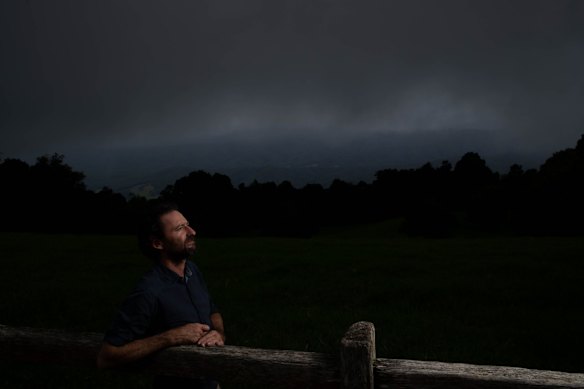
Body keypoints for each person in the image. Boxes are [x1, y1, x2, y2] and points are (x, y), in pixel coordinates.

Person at [97, 202, 225, 384]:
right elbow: (107, 356)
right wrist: (170, 337)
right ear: (158, 243)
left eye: (187, 224)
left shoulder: (192, 271)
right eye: (181, 228)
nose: (192, 231)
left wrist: (218, 333)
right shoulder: (148, 291)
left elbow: (213, 311)